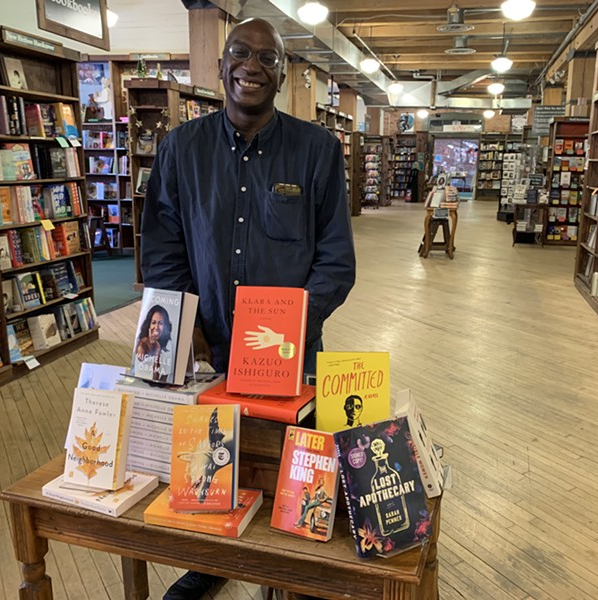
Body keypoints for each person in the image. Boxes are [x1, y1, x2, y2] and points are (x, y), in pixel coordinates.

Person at [140, 17, 356, 600]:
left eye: (266, 57)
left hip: (290, 354)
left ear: (283, 73)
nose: (251, 65)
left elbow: (336, 260)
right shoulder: (181, 149)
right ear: (221, 64)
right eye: (240, 52)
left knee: (285, 464)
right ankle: (211, 559)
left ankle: (283, 575)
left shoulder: (317, 151)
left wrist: (290, 331)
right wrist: (187, 328)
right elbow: (161, 247)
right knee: (209, 461)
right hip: (204, 347)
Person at [131, 304, 172, 382]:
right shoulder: (141, 345)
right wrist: (157, 351)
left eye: (160, 323)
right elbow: (154, 380)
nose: (156, 327)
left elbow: (164, 378)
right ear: (149, 324)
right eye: (153, 322)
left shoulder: (168, 343)